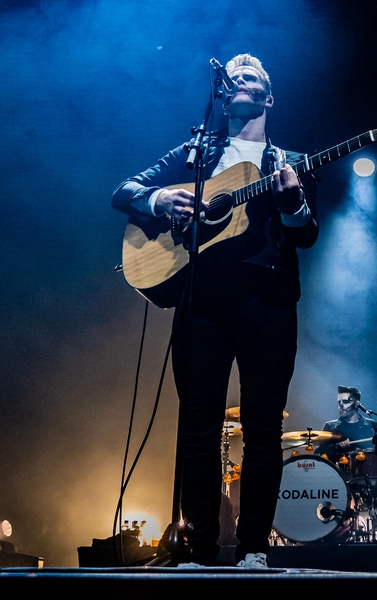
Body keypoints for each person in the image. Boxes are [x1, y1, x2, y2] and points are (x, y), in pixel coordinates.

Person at [112, 53, 318, 568]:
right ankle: (199, 552)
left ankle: (254, 550)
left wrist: (291, 203)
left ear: (268, 98)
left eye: (251, 77)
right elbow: (124, 191)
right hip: (200, 300)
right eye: (233, 77)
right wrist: (160, 200)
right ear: (221, 96)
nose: (238, 80)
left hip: (266, 303)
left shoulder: (287, 160)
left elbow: (306, 235)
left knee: (263, 427)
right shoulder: (194, 154)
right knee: (197, 425)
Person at [316, 386, 377, 543]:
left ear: (357, 404)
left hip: (371, 474)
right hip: (341, 478)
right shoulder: (331, 427)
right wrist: (337, 447)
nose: (341, 406)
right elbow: (318, 454)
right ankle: (339, 536)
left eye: (345, 402)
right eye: (338, 402)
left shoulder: (372, 426)